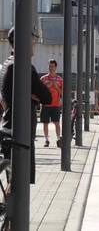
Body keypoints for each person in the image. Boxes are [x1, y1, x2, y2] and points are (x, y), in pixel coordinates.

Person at [0, 26, 51, 183]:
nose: (34, 43)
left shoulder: (7, 63)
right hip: (20, 132)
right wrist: (32, 95)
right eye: (32, 39)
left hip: (9, 125)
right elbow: (47, 97)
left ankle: (6, 205)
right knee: (18, 182)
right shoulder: (23, 67)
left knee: (13, 181)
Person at [40, 59, 63, 147]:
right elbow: (40, 91)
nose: (51, 68)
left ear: (56, 67)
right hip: (45, 104)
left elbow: (62, 93)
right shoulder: (43, 78)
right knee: (45, 123)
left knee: (57, 123)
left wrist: (56, 86)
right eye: (49, 66)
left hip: (55, 104)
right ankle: (46, 140)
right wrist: (47, 86)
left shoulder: (59, 79)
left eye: (52, 66)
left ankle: (58, 139)